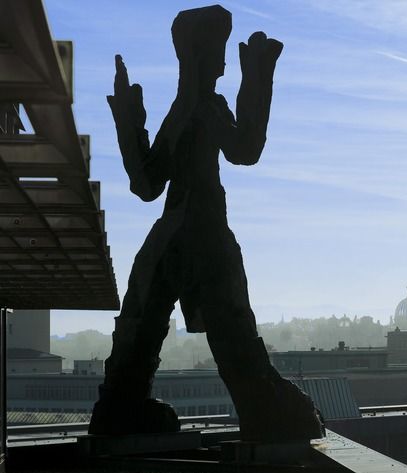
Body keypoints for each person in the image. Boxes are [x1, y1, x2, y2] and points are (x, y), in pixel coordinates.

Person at [89, 5, 324, 442]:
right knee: (227, 327)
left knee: (144, 327)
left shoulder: (185, 109)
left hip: (172, 236)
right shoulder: (202, 108)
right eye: (218, 51)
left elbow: (145, 184)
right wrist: (256, 76)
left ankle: (121, 408)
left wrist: (128, 119)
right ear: (200, 56)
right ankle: (263, 410)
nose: (222, 61)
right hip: (204, 235)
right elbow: (246, 149)